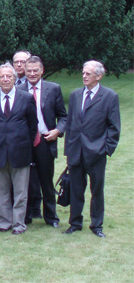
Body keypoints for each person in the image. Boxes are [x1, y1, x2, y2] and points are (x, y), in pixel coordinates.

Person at [63, 60, 120, 238]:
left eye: (88, 73)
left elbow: (114, 127)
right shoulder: (75, 95)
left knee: (97, 190)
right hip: (76, 151)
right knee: (76, 190)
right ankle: (75, 223)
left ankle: (96, 225)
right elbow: (71, 124)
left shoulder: (109, 96)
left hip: (96, 153)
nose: (84, 76)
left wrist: (105, 149)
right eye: (83, 72)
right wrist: (69, 150)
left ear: (98, 76)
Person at [0, 62, 37, 235]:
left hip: (20, 151)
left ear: (15, 78)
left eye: (9, 76)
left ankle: (19, 224)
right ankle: (5, 222)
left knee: (21, 191)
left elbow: (32, 125)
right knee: (0, 189)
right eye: (2, 76)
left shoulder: (26, 98)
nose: (5, 79)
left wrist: (22, 142)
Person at [18, 56, 67, 228]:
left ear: (42, 71)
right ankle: (27, 215)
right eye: (28, 70)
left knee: (46, 181)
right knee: (27, 182)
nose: (31, 74)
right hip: (26, 142)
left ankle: (51, 217)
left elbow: (63, 116)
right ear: (24, 71)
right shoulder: (19, 89)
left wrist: (58, 130)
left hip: (46, 140)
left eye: (35, 70)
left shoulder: (53, 89)